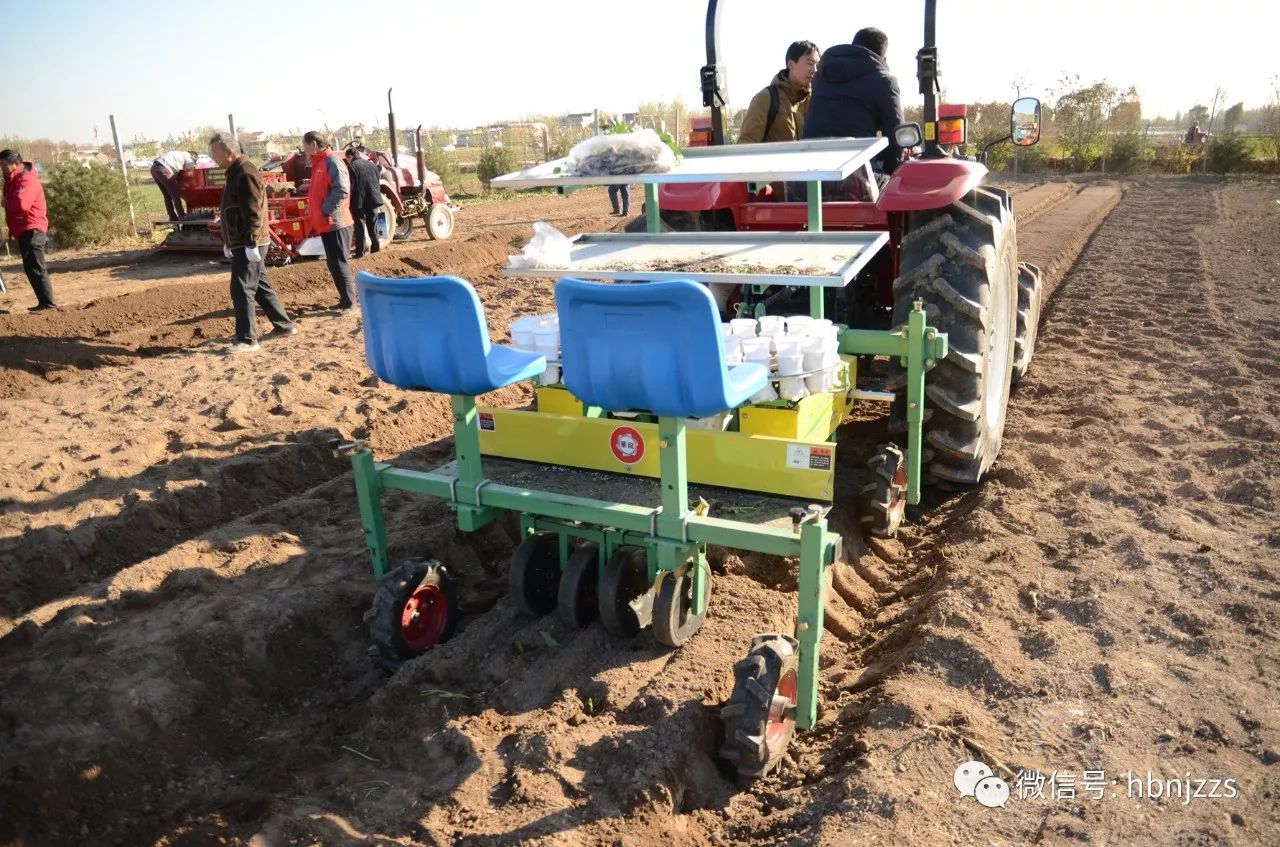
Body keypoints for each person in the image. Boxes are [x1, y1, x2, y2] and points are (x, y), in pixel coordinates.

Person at [209, 133, 297, 352]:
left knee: (241, 288)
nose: (213, 158)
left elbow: (254, 211)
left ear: (228, 152)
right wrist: (230, 240)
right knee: (259, 286)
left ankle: (247, 340)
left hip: (250, 242)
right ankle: (284, 326)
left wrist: (250, 243)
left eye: (215, 153)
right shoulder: (236, 171)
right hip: (243, 241)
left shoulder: (246, 172)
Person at [804, 27, 904, 175]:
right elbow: (896, 137)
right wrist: (893, 172)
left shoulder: (821, 77)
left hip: (810, 175)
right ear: (883, 58)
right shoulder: (885, 81)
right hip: (857, 179)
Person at [302, 131, 356, 313]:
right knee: (333, 263)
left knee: (340, 262)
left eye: (305, 145)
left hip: (336, 223)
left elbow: (341, 191)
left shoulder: (332, 162)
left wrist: (324, 211)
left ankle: (350, 303)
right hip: (327, 224)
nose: (304, 149)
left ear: (314, 144)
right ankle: (344, 299)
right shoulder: (319, 164)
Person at [1, 149, 58, 312]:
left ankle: (48, 304)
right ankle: (44, 303)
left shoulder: (26, 180)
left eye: (4, 165)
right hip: (25, 229)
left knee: (36, 267)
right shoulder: (13, 180)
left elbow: (21, 205)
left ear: (15, 164)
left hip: (32, 228)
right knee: (32, 267)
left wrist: (7, 202)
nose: (2, 168)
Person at [737, 41, 820, 145]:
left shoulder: (814, 100)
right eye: (810, 63)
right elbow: (747, 142)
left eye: (817, 64)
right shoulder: (766, 98)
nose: (815, 70)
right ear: (791, 64)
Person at [344, 146, 384, 258]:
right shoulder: (372, 165)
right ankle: (376, 249)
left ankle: (360, 253)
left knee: (359, 226)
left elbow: (350, 186)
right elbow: (376, 182)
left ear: (350, 156)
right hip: (373, 199)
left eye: (347, 159)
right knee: (373, 225)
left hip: (358, 201)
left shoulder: (351, 167)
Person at [151, 149, 194, 221]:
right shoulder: (187, 156)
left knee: (167, 195)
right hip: (163, 169)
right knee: (175, 194)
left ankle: (172, 217)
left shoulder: (176, 153)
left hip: (154, 168)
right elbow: (189, 171)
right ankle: (182, 215)